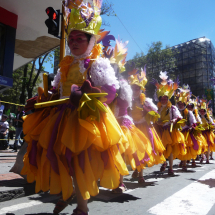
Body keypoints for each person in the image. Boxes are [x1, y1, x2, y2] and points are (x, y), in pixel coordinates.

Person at [21, 1, 129, 215]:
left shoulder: (96, 64)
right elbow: (57, 91)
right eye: (71, 38)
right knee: (58, 159)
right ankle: (66, 194)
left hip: (84, 121)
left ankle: (82, 207)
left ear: (91, 41)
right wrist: (41, 100)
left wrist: (88, 93)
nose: (73, 42)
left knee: (79, 162)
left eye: (80, 38)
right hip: (60, 118)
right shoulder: (66, 64)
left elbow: (109, 91)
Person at [128, 68, 166, 181]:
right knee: (134, 150)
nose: (135, 90)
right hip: (133, 128)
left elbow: (155, 112)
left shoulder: (145, 100)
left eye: (137, 88)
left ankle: (140, 175)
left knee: (143, 150)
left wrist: (147, 111)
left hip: (144, 127)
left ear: (141, 89)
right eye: (133, 88)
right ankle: (137, 169)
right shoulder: (129, 100)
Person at [152, 72, 186, 175]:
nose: (163, 100)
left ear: (168, 99)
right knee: (161, 149)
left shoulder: (172, 108)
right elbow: (153, 117)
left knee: (170, 149)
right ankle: (164, 163)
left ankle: (170, 168)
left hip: (169, 131)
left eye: (165, 98)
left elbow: (178, 117)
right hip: (159, 130)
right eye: (162, 98)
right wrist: (155, 121)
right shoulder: (157, 108)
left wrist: (173, 120)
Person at [198, 98, 215, 164]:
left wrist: (210, 127)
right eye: (201, 111)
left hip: (207, 134)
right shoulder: (198, 117)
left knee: (207, 146)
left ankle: (207, 158)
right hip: (200, 133)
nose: (202, 112)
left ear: (205, 111)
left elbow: (213, 125)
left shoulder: (208, 118)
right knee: (201, 145)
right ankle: (202, 156)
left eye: (203, 111)